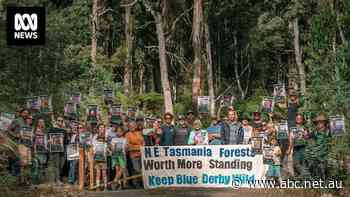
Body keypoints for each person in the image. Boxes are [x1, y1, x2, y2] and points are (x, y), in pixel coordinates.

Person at [305, 113, 331, 179]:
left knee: (327, 168)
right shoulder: (314, 132)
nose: (319, 124)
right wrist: (304, 135)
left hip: (327, 153)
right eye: (317, 122)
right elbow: (307, 137)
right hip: (317, 154)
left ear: (324, 122)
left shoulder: (329, 131)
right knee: (317, 168)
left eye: (321, 122)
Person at [125, 121, 144, 188]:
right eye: (130, 126)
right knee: (136, 169)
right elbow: (128, 146)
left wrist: (139, 146)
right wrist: (138, 147)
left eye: (133, 126)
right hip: (133, 155)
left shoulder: (139, 133)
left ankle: (141, 183)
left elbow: (143, 142)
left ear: (135, 126)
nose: (132, 127)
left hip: (142, 154)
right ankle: (136, 183)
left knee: (141, 169)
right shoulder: (127, 134)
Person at [92, 123, 108, 191]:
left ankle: (105, 187)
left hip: (104, 158)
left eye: (103, 127)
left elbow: (107, 146)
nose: (101, 128)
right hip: (96, 157)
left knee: (104, 173)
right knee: (98, 173)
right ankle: (98, 187)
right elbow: (93, 146)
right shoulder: (95, 136)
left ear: (104, 128)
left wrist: (107, 150)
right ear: (98, 129)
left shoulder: (106, 136)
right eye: (100, 127)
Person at [32, 118, 48, 184]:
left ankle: (40, 180)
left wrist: (48, 143)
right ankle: (34, 181)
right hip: (37, 150)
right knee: (36, 165)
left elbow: (45, 141)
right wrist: (34, 150)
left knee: (42, 165)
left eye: (43, 122)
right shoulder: (35, 130)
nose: (42, 123)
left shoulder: (44, 131)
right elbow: (34, 141)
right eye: (40, 122)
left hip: (43, 150)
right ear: (38, 123)